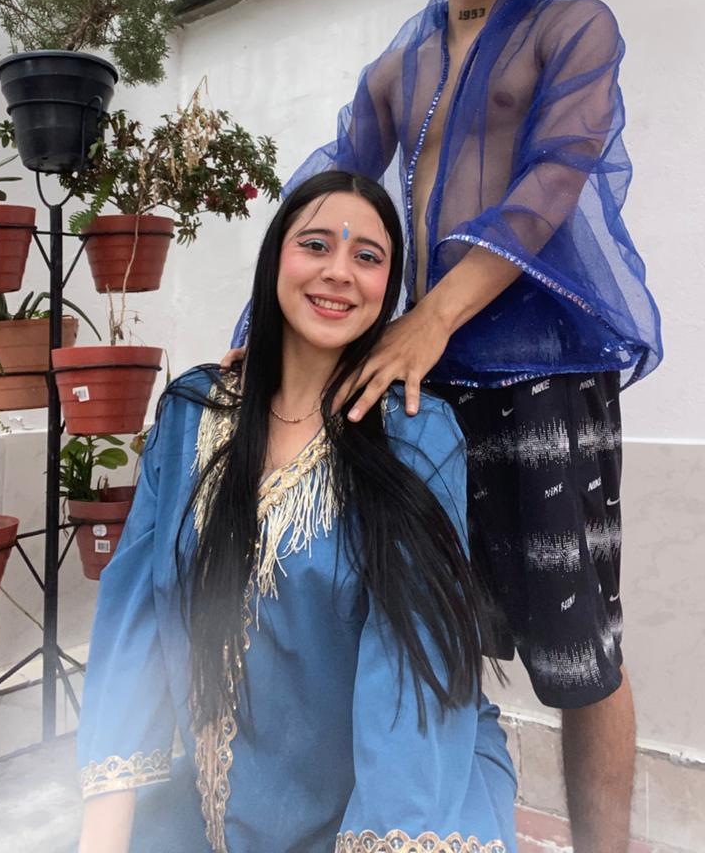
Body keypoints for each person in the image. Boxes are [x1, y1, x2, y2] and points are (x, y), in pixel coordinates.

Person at [226, 0, 662, 853]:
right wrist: (261, 325)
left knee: (578, 651)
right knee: (426, 628)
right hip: (431, 381)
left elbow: (554, 179)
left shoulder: (572, 24)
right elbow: (336, 176)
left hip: (545, 366)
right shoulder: (402, 58)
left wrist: (429, 313)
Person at [77, 171, 518, 853]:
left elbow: (411, 672)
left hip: (392, 807)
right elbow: (130, 614)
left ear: (388, 288)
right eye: (316, 245)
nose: (339, 271)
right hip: (213, 811)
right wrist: (103, 832)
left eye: (367, 256)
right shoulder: (192, 413)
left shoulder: (416, 436)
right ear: (274, 260)